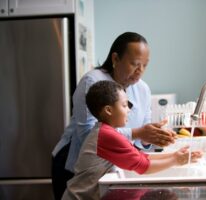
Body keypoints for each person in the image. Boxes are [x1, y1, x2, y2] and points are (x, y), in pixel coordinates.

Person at [51, 32, 177, 200]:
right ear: (116, 59)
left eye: (145, 65)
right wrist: (138, 133)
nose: (140, 71)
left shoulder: (143, 89)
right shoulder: (93, 81)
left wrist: (153, 136)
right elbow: (89, 135)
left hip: (109, 168)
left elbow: (141, 138)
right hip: (74, 166)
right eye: (134, 64)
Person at [61, 80, 202, 200]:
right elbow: (143, 166)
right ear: (108, 110)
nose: (128, 109)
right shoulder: (106, 135)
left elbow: (141, 156)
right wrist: (176, 160)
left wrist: (175, 155)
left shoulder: (107, 132)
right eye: (124, 105)